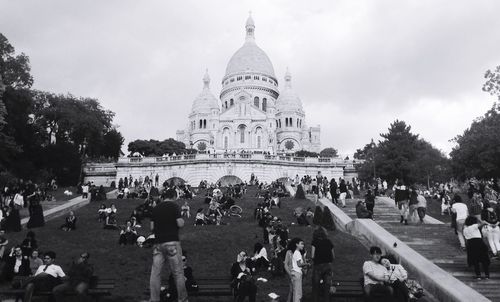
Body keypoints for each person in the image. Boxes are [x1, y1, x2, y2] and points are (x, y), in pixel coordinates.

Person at [148, 188, 188, 302]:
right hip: (172, 242)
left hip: (158, 243)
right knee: (178, 273)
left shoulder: (156, 208)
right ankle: (182, 299)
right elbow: (179, 223)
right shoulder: (174, 206)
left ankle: (154, 299)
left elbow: (151, 227)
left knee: (155, 273)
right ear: (174, 197)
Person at [311, 227, 335, 302]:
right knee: (327, 289)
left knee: (316, 288)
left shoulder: (314, 242)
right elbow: (333, 256)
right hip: (328, 266)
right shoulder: (329, 241)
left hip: (318, 266)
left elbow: (312, 255)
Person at [288, 237, 309, 302]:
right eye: (301, 244)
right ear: (297, 244)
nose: (303, 245)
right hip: (297, 274)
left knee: (295, 292)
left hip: (294, 274)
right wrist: (307, 264)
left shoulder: (295, 252)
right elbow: (299, 264)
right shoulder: (298, 253)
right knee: (298, 293)